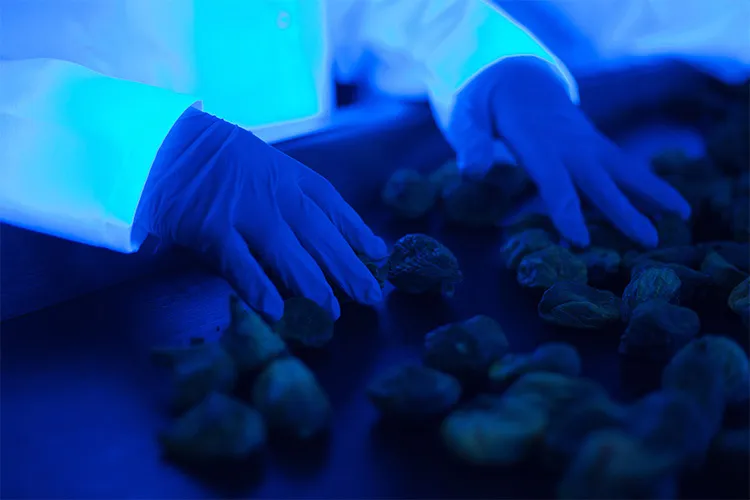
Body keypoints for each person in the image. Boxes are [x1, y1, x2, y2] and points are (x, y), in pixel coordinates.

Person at [1, 0, 742, 322]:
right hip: (48, 238)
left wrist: (490, 56)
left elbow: (369, 7)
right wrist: (150, 152)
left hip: (318, 184)